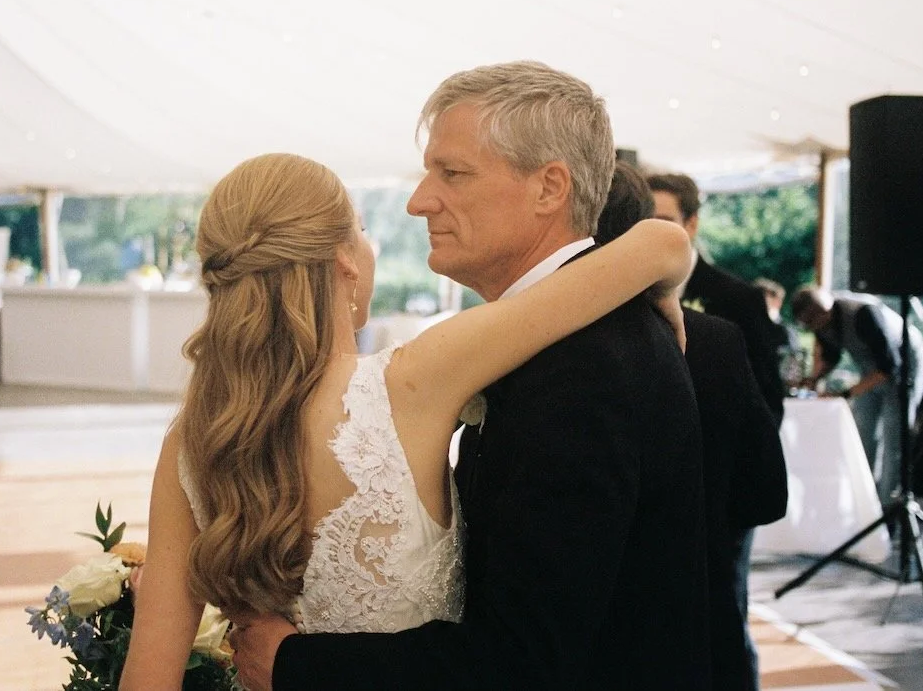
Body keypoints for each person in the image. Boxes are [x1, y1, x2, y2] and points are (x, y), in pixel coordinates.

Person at [224, 62, 710, 691]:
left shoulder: (585, 371)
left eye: (451, 173)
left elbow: (524, 662)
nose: (419, 200)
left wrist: (294, 664)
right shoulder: (566, 339)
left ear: (548, 188)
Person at [597, 162, 788, 691]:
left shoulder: (735, 306)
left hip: (716, 518)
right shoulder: (708, 336)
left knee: (728, 615)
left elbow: (768, 406)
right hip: (689, 556)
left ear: (692, 223)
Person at [647, 172, 787, 423]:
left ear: (691, 225)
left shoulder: (740, 299)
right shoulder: (631, 295)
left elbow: (767, 401)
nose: (653, 234)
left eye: (665, 221)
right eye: (645, 224)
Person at [792, 287, 923, 506]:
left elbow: (888, 366)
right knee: (863, 435)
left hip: (904, 365)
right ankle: (865, 505)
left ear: (823, 313)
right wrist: (813, 379)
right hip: (870, 369)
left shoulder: (864, 314)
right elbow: (832, 354)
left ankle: (888, 512)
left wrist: (845, 394)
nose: (815, 330)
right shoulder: (820, 321)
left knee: (894, 440)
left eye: (814, 324)